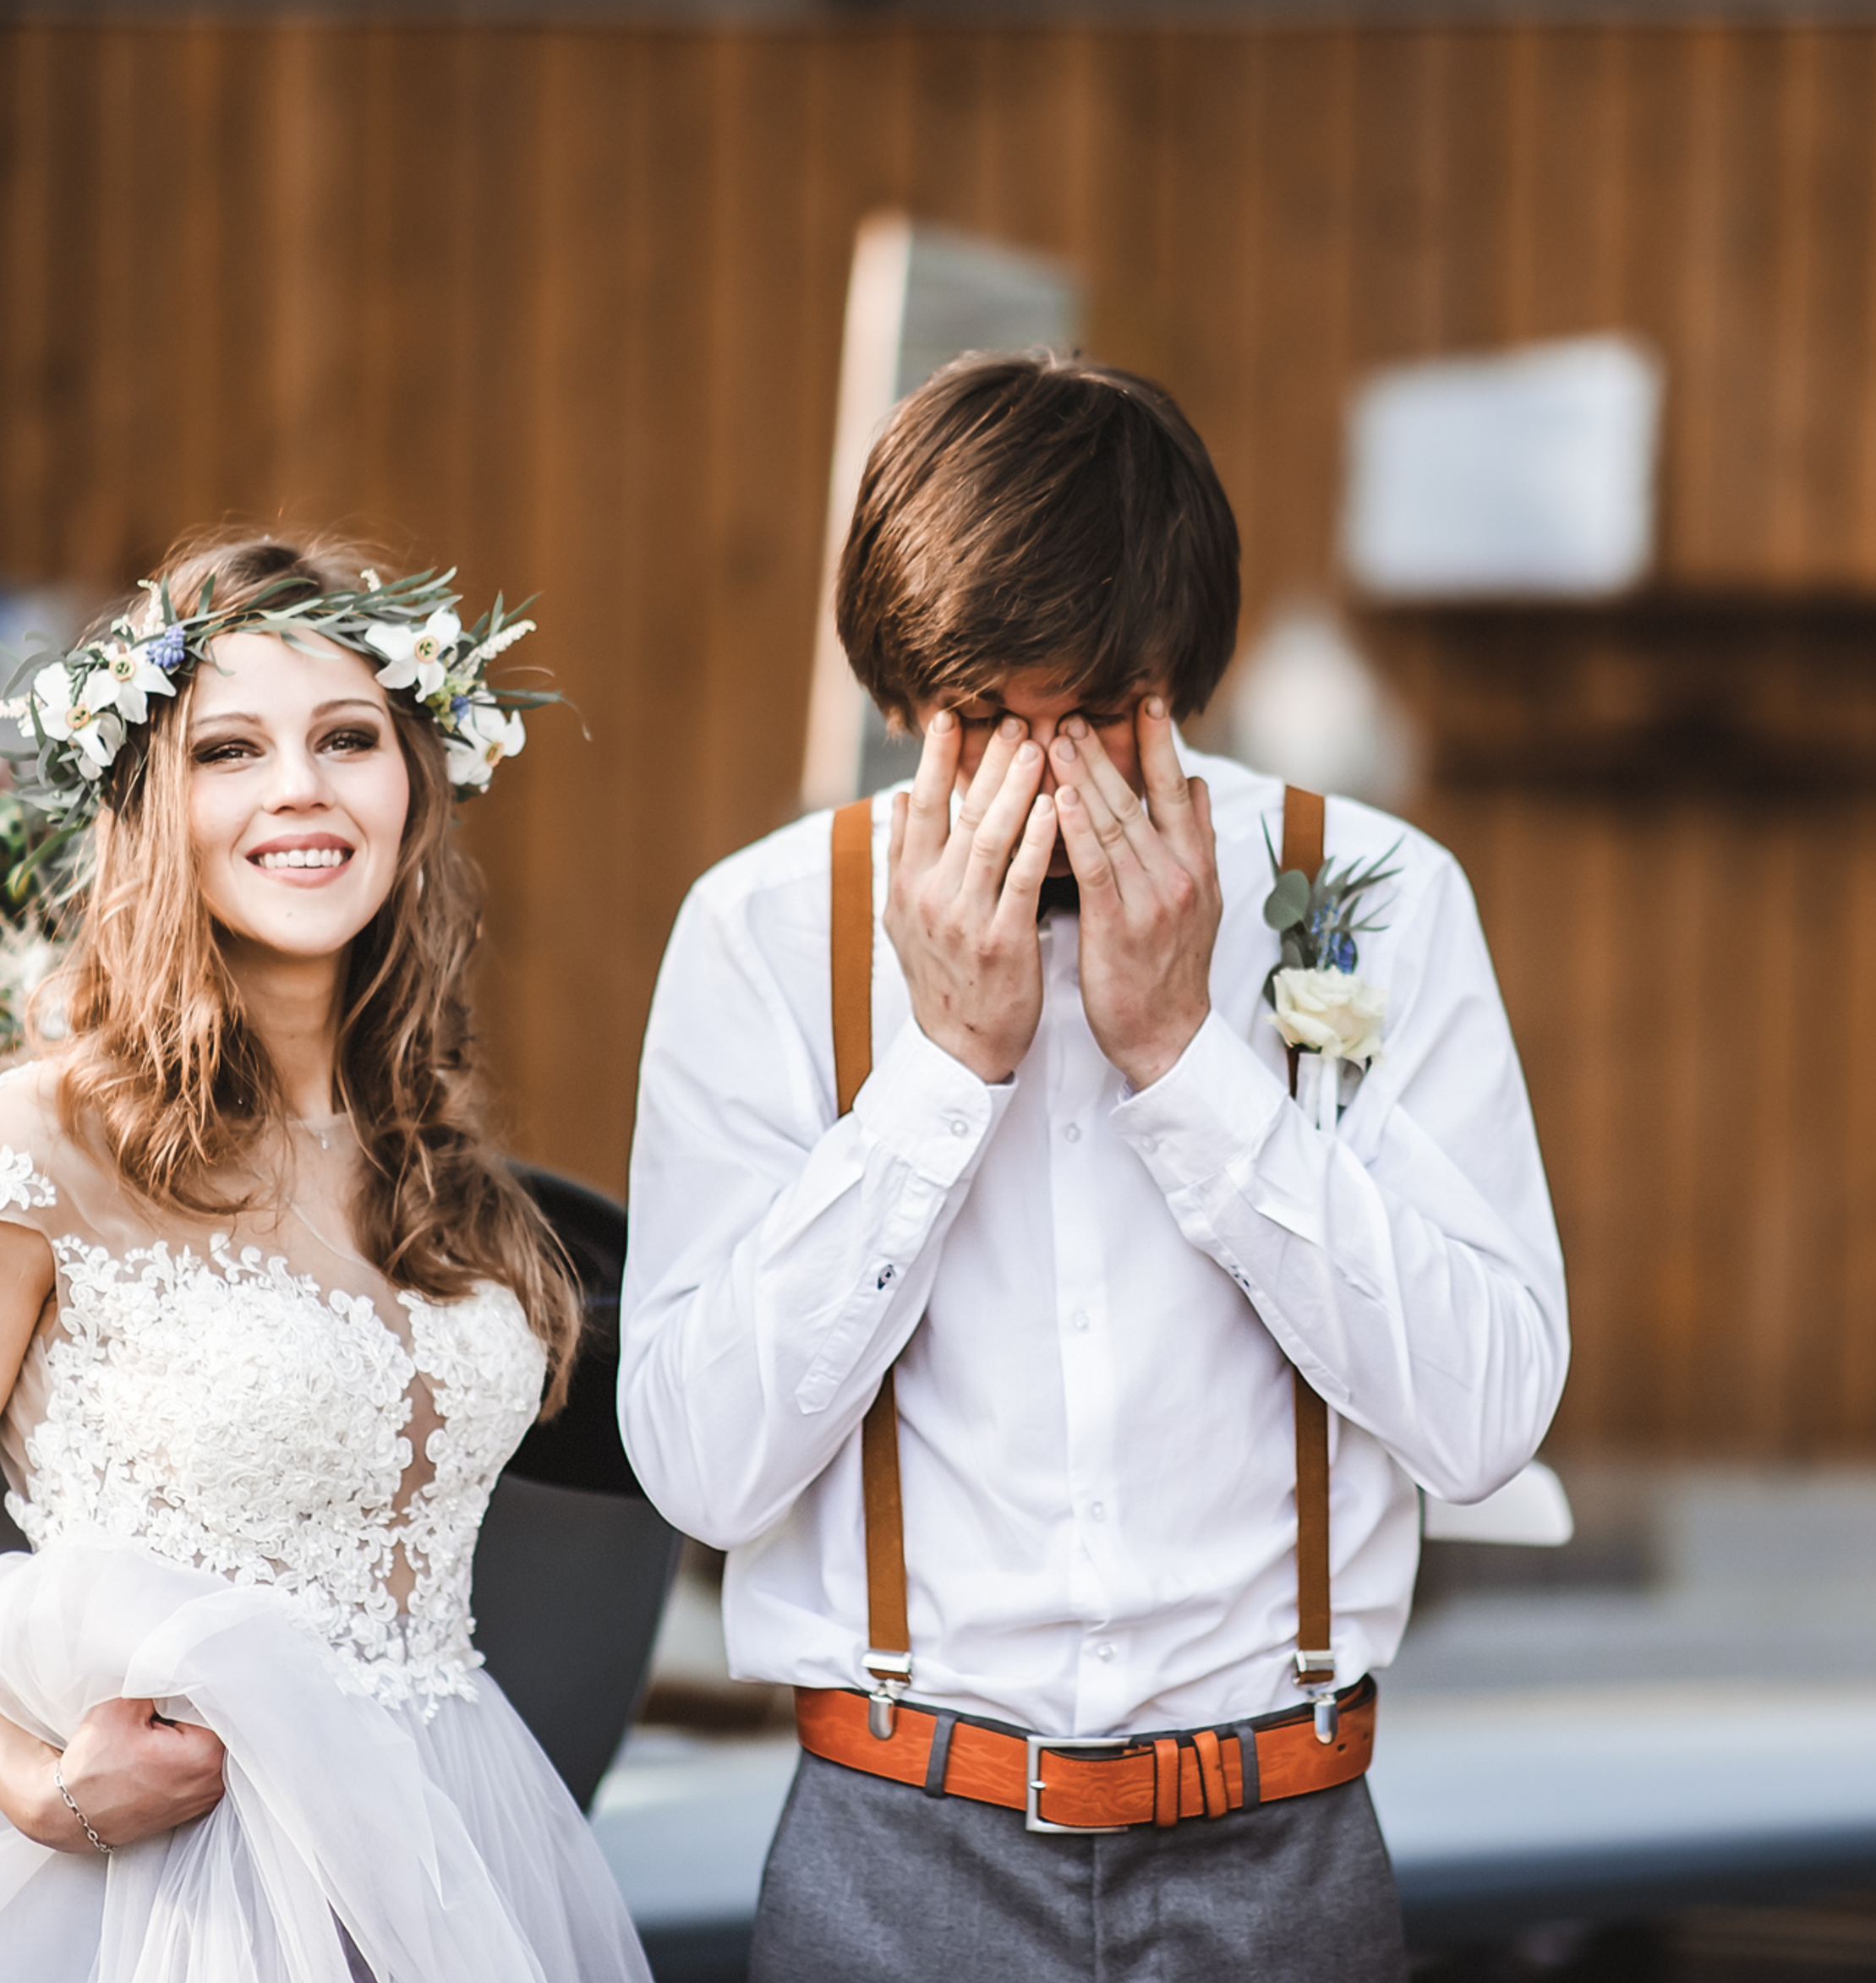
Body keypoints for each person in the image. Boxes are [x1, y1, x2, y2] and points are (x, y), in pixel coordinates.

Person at [621, 354, 1570, 1981]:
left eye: (1100, 718)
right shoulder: (765, 932)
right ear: (906, 691)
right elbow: (703, 1470)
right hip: (895, 1852)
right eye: (989, 721)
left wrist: (1193, 1066)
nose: (1047, 781)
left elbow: (1486, 1418)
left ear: (1180, 678)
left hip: (1284, 1851)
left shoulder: (1372, 896)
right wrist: (943, 1075)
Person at [0, 532, 652, 1982]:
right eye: (231, 747)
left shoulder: (437, 1166)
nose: (301, 786)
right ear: (152, 801)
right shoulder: (35, 1148)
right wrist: (41, 1790)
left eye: (348, 737)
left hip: (461, 1851)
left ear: (413, 788)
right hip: (179, 1892)